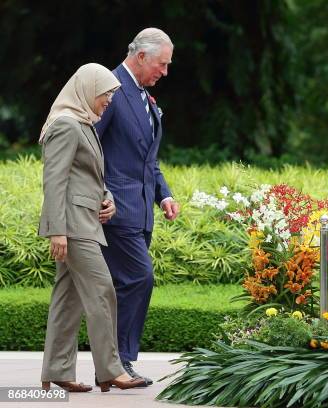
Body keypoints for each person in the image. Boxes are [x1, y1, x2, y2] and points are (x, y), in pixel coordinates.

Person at [38, 63, 146, 392]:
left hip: (84, 221)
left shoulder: (84, 124)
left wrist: (108, 198)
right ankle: (111, 370)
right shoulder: (67, 125)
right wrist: (57, 230)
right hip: (72, 225)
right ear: (87, 89)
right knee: (103, 290)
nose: (109, 100)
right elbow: (54, 181)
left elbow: (89, 175)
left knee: (67, 299)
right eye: (106, 94)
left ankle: (58, 370)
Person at [95, 28, 180, 385]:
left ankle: (110, 367)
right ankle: (120, 364)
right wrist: (99, 194)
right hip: (116, 211)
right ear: (142, 56)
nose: (165, 71)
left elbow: (149, 160)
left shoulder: (145, 96)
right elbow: (90, 148)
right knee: (140, 278)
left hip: (142, 211)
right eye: (162, 64)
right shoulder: (110, 89)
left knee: (124, 284)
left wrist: (164, 194)